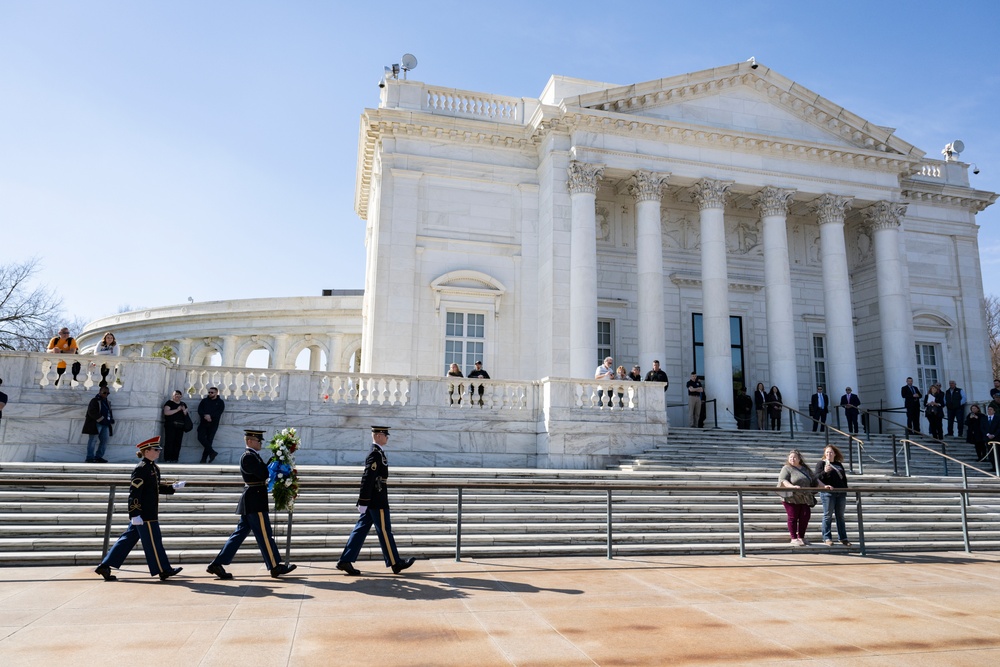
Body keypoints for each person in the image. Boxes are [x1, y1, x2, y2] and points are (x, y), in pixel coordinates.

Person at [206, 429, 297, 580]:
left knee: (239, 534)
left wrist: (276, 458)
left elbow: (263, 472)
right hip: (255, 501)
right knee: (265, 535)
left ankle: (217, 564)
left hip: (254, 499)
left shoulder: (253, 456)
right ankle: (275, 566)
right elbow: (263, 474)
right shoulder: (248, 457)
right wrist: (274, 463)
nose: (260, 443)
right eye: (258, 441)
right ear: (249, 441)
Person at [94, 436, 184, 581]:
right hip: (145, 513)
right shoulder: (141, 469)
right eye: (156, 450)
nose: (158, 452)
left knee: (127, 540)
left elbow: (153, 488)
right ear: (147, 451)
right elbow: (135, 492)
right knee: (154, 541)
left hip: (147, 512)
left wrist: (172, 487)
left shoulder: (152, 467)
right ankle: (163, 569)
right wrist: (135, 513)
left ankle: (105, 566)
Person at [336, 426, 415, 576]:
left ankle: (345, 560)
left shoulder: (378, 453)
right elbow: (367, 478)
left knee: (360, 530)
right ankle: (395, 562)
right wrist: (363, 500)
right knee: (385, 531)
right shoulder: (375, 454)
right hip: (377, 500)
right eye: (385, 435)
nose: (387, 438)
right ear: (379, 436)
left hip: (375, 498)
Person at [777, 449, 829, 546]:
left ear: (799, 459)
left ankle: (801, 537)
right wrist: (792, 487)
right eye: (791, 457)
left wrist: (824, 486)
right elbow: (783, 480)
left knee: (805, 516)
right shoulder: (786, 468)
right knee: (793, 516)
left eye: (795, 457)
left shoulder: (805, 469)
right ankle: (793, 538)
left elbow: (815, 479)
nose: (792, 459)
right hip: (791, 497)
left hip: (805, 497)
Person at [814, 444, 851, 547]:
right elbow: (816, 478)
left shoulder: (839, 464)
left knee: (840, 516)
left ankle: (843, 538)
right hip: (828, 493)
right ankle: (827, 538)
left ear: (835, 454)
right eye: (827, 452)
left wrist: (845, 489)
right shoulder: (821, 464)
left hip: (840, 492)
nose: (828, 454)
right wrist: (824, 472)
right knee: (827, 515)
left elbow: (843, 478)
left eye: (830, 452)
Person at [82, 386, 114, 463]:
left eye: (107, 393)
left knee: (104, 440)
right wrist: (101, 419)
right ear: (100, 392)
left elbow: (108, 412)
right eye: (104, 392)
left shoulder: (107, 402)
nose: (106, 394)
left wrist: (110, 419)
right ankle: (89, 457)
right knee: (93, 440)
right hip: (96, 424)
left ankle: (98, 457)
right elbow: (92, 412)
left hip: (105, 424)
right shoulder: (94, 400)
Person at [197, 387, 225, 463]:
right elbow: (200, 410)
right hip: (203, 423)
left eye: (212, 392)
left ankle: (203, 459)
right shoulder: (204, 401)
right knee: (200, 437)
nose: (210, 394)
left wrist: (210, 416)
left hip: (213, 424)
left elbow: (219, 412)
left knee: (209, 441)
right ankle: (212, 452)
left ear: (216, 393)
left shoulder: (220, 402)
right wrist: (205, 415)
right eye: (209, 392)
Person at [161, 390, 189, 463]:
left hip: (180, 426)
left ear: (181, 396)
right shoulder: (169, 403)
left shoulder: (183, 404)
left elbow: (186, 414)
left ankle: (175, 458)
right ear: (173, 396)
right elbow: (166, 412)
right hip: (170, 426)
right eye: (175, 394)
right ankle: (167, 458)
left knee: (178, 442)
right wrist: (177, 409)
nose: (177, 396)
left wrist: (183, 410)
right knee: (169, 442)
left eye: (178, 395)